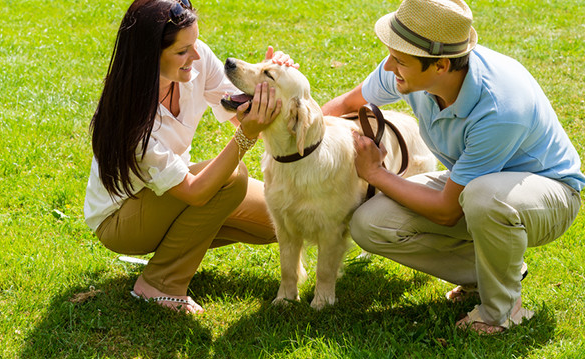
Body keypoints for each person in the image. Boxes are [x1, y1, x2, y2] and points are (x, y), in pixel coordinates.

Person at [322, 0, 584, 334]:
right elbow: (346, 104)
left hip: (550, 194)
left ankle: (500, 312)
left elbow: (446, 211)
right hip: (473, 184)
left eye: (399, 60)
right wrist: (302, 139)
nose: (388, 67)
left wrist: (375, 174)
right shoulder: (410, 67)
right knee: (369, 224)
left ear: (441, 66)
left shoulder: (500, 105)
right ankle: (491, 275)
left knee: (484, 196)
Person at [84, 0, 297, 314]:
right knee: (230, 178)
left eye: (194, 44)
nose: (196, 57)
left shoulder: (196, 60)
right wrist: (245, 137)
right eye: (182, 51)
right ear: (148, 56)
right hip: (121, 219)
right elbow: (195, 192)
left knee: (278, 220)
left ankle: (178, 248)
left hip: (169, 193)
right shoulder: (129, 120)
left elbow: (239, 111)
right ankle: (159, 282)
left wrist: (266, 81)